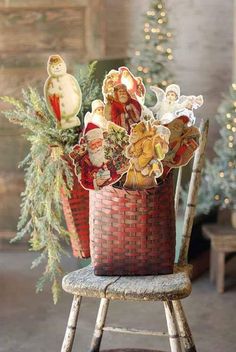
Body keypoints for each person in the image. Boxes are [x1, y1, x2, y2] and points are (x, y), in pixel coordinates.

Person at [70, 123, 119, 190]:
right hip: (99, 192)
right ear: (88, 146)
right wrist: (96, 183)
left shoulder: (109, 152)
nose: (97, 146)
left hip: (114, 187)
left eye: (98, 142)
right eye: (93, 144)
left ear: (102, 141)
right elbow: (84, 182)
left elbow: (116, 170)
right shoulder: (86, 160)